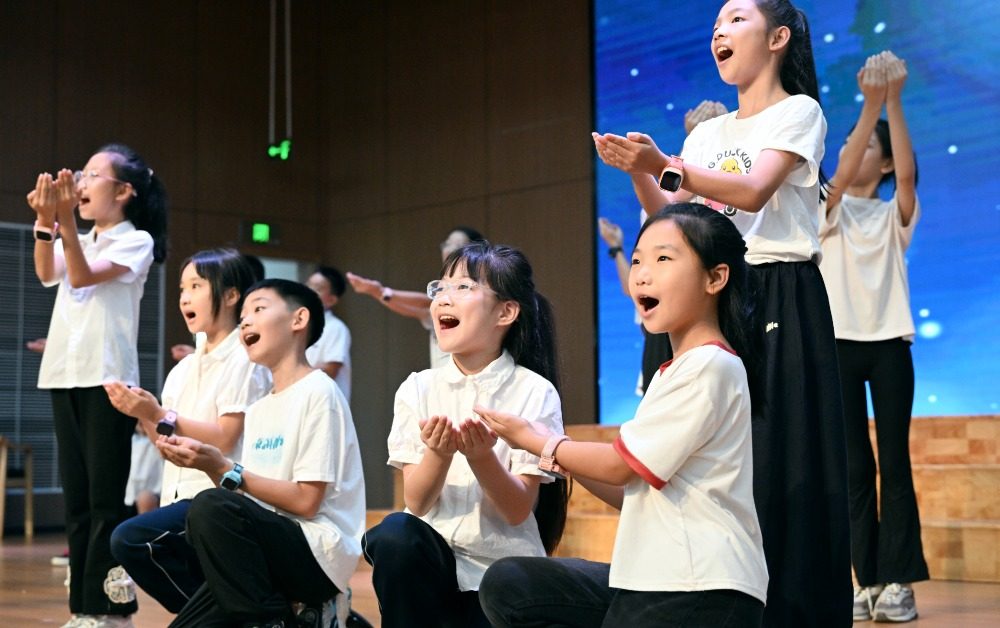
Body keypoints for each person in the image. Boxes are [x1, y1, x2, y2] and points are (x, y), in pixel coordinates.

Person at [592, 1, 851, 625]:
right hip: (714, 294)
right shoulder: (707, 137)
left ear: (778, 37)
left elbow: (754, 191)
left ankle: (792, 611)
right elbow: (678, 222)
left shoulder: (799, 112)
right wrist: (641, 172)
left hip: (780, 291)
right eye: (715, 26)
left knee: (784, 461)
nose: (719, 33)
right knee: (717, 460)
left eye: (735, 20)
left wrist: (664, 164)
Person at [478, 204, 767, 627]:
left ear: (715, 278)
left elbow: (618, 466)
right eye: (636, 261)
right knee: (512, 584)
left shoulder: (710, 364)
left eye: (663, 259)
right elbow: (629, 488)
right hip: (653, 580)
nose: (642, 275)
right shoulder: (674, 371)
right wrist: (552, 451)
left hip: (699, 586)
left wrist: (538, 440)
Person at [360, 241, 568, 628]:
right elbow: (416, 501)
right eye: (439, 288)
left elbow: (516, 510)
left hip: (500, 573)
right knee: (394, 533)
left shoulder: (534, 391)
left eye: (463, 287)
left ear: (506, 312)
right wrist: (439, 454)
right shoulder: (417, 388)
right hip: (431, 566)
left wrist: (482, 457)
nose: (443, 298)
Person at [158, 279, 366, 628]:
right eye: (242, 317)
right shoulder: (257, 409)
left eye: (258, 309)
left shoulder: (319, 392)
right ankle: (297, 618)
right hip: (268, 547)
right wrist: (210, 466)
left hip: (317, 553)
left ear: (298, 319)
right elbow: (249, 499)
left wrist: (225, 467)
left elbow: (306, 502)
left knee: (210, 506)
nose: (245, 322)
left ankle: (276, 619)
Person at [29, 144, 167, 628]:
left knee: (107, 502)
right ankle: (83, 609)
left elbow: (82, 276)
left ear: (124, 191)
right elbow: (46, 272)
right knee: (78, 502)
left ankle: (113, 609)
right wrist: (46, 221)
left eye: (92, 175)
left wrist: (63, 219)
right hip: (65, 375)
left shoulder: (135, 241)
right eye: (81, 174)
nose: (81, 183)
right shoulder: (80, 237)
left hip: (109, 382)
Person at [818, 51, 927, 623]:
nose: (852, 151)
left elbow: (906, 177)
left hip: (889, 347)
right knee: (854, 470)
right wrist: (868, 107)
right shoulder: (826, 211)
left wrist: (893, 102)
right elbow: (836, 179)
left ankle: (899, 582)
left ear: (882, 163)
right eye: (847, 145)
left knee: (895, 463)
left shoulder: (892, 216)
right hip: (839, 347)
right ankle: (867, 579)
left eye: (866, 148)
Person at [105, 248, 269, 614]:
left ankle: (226, 617)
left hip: (221, 499)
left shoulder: (245, 360)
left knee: (131, 538)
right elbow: (165, 444)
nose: (184, 297)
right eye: (182, 288)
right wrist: (143, 414)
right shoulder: (182, 370)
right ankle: (230, 617)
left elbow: (225, 437)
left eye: (196, 286)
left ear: (231, 295)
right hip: (179, 497)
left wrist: (157, 413)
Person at [598, 101, 729, 397]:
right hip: (661, 328)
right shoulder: (661, 203)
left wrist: (708, 138)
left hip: (704, 316)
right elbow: (668, 203)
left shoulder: (722, 181)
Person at [346, 226, 485, 368]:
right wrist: (377, 292)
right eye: (448, 244)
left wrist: (382, 291)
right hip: (442, 378)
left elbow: (426, 303)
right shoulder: (440, 290)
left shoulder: (478, 288)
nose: (450, 249)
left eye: (458, 245)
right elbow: (420, 310)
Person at [306, 265, 353, 401]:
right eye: (308, 285)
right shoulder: (299, 323)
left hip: (326, 403)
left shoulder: (336, 328)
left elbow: (331, 369)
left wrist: (291, 374)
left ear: (332, 300)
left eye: (317, 288)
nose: (308, 290)